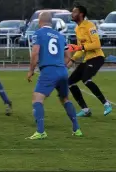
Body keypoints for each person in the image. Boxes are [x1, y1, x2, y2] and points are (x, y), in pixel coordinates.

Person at [26, 12, 83, 140]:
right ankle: (77, 129)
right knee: (65, 99)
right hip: (62, 71)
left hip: (48, 71)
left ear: (40, 22)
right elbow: (68, 56)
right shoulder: (60, 36)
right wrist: (61, 66)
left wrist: (31, 70)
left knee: (37, 99)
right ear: (51, 22)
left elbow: (35, 53)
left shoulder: (39, 33)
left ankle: (40, 132)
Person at [66, 5, 112, 117]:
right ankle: (85, 109)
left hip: (97, 57)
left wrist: (81, 47)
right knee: (70, 82)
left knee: (86, 79)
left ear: (81, 14)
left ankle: (106, 104)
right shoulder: (77, 29)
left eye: (74, 12)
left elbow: (97, 44)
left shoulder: (90, 25)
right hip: (87, 59)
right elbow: (80, 49)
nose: (72, 14)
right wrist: (72, 60)